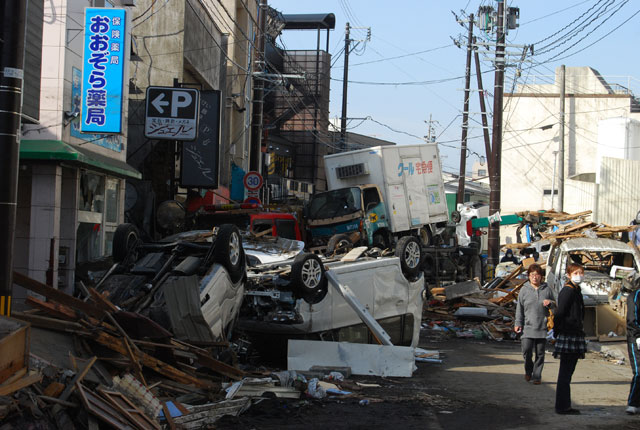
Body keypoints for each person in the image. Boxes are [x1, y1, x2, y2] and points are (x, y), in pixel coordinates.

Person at [553, 263, 587, 415]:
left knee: (568, 372)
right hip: (568, 334)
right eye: (576, 273)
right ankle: (562, 406)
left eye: (581, 272)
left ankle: (565, 404)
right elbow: (560, 313)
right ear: (568, 274)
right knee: (565, 373)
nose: (579, 275)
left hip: (575, 333)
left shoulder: (576, 290)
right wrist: (556, 330)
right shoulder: (568, 291)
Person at [514, 264, 556, 385]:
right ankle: (528, 370)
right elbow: (519, 308)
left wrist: (550, 304)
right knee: (526, 350)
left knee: (540, 353)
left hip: (541, 327)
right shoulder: (524, 290)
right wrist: (518, 323)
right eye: (532, 275)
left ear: (541, 277)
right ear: (528, 276)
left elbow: (555, 307)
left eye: (537, 275)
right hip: (527, 327)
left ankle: (537, 376)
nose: (535, 277)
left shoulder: (547, 290)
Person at [625, 276, 640, 414]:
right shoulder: (635, 297)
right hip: (636, 339)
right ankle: (633, 403)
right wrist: (638, 336)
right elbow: (632, 319)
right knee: (638, 372)